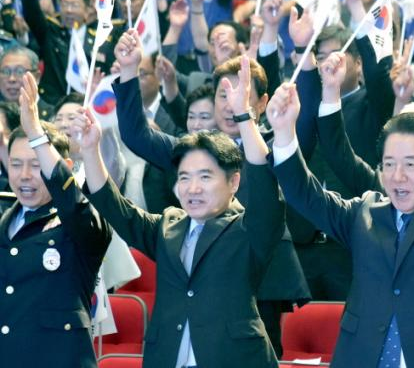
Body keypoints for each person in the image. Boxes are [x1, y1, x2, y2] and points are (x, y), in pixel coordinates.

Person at [268, 57, 414, 366]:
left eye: (410, 164)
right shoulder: (364, 214)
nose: (397, 177)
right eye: (389, 164)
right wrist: (284, 133)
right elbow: (305, 195)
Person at [76, 56, 283, 368]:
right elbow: (114, 207)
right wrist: (91, 151)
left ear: (233, 182)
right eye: (184, 177)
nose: (192, 188)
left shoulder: (249, 230)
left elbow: (266, 186)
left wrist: (244, 115)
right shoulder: (169, 226)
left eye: (205, 177)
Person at [0, 72, 111, 366]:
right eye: (16, 164)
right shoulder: (4, 222)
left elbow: (75, 206)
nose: (24, 176)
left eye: (36, 165)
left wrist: (37, 134)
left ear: (65, 167)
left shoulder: (79, 222)